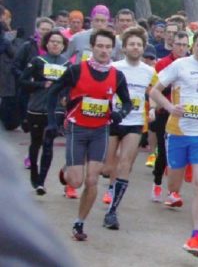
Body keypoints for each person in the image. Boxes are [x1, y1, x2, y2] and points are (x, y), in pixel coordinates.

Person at [148, 30, 198, 256]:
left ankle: (196, 236)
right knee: (174, 183)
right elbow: (154, 91)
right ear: (193, 46)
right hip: (177, 133)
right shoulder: (180, 65)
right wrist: (170, 107)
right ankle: (173, 192)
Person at [45, 29, 132, 241]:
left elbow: (127, 102)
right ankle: (67, 170)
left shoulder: (117, 76)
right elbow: (53, 92)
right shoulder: (76, 70)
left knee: (92, 180)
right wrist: (51, 120)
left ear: (113, 50)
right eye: (100, 46)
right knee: (75, 182)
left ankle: (79, 223)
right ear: (92, 47)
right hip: (77, 128)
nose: (104, 51)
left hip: (101, 130)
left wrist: (121, 112)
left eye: (108, 47)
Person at [93, 26, 155, 229]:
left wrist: (153, 109)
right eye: (132, 44)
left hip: (135, 122)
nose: (135, 48)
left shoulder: (149, 71)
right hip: (112, 120)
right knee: (108, 167)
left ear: (143, 48)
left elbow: (153, 93)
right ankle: (110, 185)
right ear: (124, 47)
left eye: (139, 44)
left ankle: (112, 212)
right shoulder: (114, 67)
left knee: (125, 164)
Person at [20, 30, 69, 195]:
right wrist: (41, 85)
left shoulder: (67, 65)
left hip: (55, 111)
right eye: (52, 41)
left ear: (64, 46)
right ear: (46, 44)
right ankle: (34, 173)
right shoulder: (37, 61)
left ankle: (41, 181)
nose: (55, 44)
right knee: (36, 143)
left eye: (59, 42)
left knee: (48, 144)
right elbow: (23, 82)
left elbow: (70, 87)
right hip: (36, 108)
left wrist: (65, 98)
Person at [148, 30, 190, 203]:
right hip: (164, 112)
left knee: (180, 153)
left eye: (185, 45)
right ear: (172, 45)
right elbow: (153, 88)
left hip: (186, 114)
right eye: (178, 44)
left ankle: (173, 192)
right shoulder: (163, 64)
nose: (181, 48)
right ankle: (157, 182)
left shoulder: (191, 64)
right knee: (164, 152)